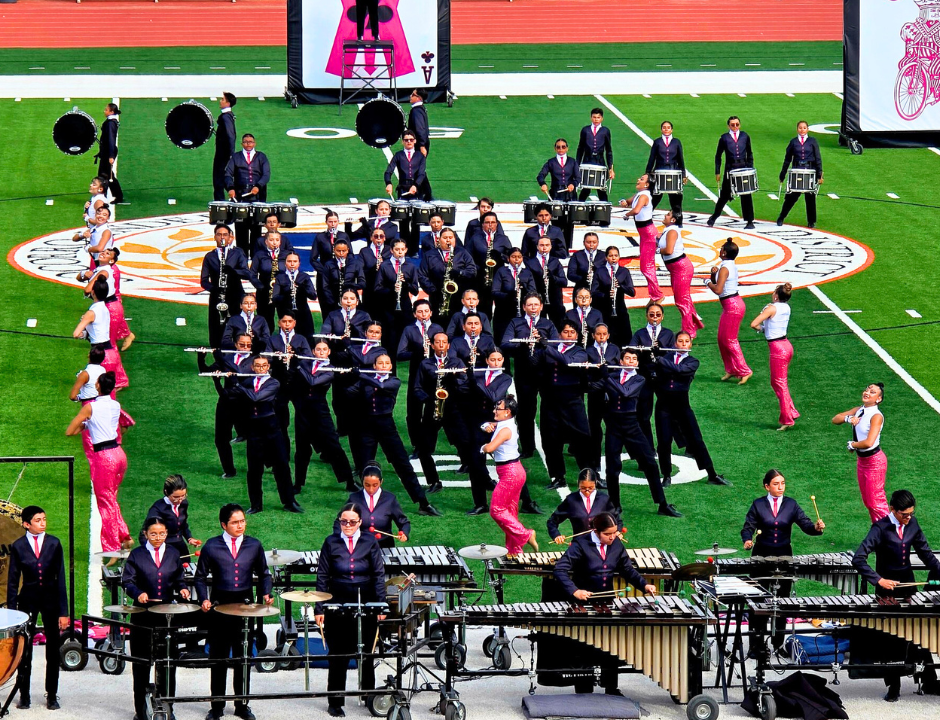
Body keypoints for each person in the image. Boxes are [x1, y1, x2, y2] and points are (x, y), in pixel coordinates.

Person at [552, 514, 657, 694]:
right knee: (583, 647)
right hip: (583, 604)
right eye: (608, 534)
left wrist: (644, 584)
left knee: (610, 645)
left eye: (615, 533)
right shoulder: (580, 545)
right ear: (596, 531)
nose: (613, 537)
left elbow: (627, 569)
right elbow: (560, 569)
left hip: (607, 603)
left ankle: (610, 687)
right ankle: (584, 689)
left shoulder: (615, 544)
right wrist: (575, 590)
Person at [852, 489, 940, 701]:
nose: (908, 518)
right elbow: (858, 559)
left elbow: (926, 554)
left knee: (919, 632)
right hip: (886, 591)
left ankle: (929, 681)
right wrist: (879, 580)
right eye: (904, 514)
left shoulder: (913, 524)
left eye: (911, 513)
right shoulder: (880, 528)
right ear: (893, 509)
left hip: (909, 589)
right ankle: (894, 686)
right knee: (891, 639)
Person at [195, 504, 272, 720]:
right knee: (218, 658)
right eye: (235, 522)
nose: (240, 525)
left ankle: (242, 705)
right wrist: (204, 598)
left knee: (243, 657)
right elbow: (200, 577)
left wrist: (266, 593)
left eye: (242, 521)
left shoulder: (254, 545)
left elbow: (264, 574)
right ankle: (217, 706)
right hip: (219, 607)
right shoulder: (211, 546)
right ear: (223, 525)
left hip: (244, 606)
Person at [315, 504, 387, 717]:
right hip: (337, 603)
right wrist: (319, 607)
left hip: (366, 602)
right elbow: (322, 575)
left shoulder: (369, 541)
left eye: (352, 522)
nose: (347, 525)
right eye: (343, 521)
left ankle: (368, 695)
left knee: (366, 652)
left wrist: (381, 603)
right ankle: (335, 701)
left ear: (360, 522)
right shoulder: (330, 542)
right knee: (338, 653)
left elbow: (378, 574)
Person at [741, 469, 824, 651]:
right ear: (767, 486)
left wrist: (816, 528)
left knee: (783, 602)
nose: (781, 487)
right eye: (776, 484)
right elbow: (748, 527)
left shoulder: (791, 505)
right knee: (758, 601)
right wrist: (747, 539)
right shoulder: (758, 505)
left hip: (784, 559)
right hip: (760, 558)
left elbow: (806, 525)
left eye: (783, 483)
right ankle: (756, 645)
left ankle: (778, 644)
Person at [354, 354, 442, 516]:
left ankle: (423, 503)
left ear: (390, 367)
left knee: (403, 465)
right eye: (380, 363)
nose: (383, 365)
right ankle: (366, 505)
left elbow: (380, 387)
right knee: (365, 467)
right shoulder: (364, 381)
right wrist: (348, 377)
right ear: (375, 366)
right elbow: (350, 393)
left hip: (386, 426)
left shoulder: (393, 381)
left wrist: (361, 375)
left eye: (387, 363)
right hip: (366, 426)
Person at [597, 349, 680, 517]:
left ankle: (662, 504)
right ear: (621, 361)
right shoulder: (611, 377)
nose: (630, 361)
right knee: (612, 468)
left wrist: (605, 377)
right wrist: (588, 373)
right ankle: (615, 505)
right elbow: (590, 388)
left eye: (634, 359)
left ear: (637, 363)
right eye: (627, 358)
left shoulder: (639, 379)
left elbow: (625, 392)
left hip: (631, 426)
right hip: (614, 426)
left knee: (650, 463)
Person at [123, 517, 191, 720]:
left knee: (167, 665)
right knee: (141, 666)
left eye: (162, 534)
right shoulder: (136, 555)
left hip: (166, 617)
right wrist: (138, 593)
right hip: (142, 617)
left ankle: (168, 709)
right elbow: (127, 580)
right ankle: (141, 711)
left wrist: (183, 589)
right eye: (153, 534)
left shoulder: (173, 553)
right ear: (145, 534)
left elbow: (179, 578)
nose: (158, 538)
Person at [8, 506, 68, 711]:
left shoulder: (54, 543)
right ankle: (23, 694)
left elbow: (61, 579)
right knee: (25, 651)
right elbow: (13, 581)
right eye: (37, 520)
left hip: (51, 601)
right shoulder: (18, 546)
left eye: (44, 519)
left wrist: (64, 612)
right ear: (26, 524)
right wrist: (12, 612)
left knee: (53, 650)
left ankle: (52, 694)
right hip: (28, 601)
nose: (43, 523)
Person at [66, 371, 134, 550]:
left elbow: (70, 430)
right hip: (119, 454)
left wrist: (85, 423)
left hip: (104, 458)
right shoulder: (116, 405)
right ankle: (125, 536)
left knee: (105, 503)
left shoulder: (90, 407)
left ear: (97, 386)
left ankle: (112, 548)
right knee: (111, 499)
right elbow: (125, 423)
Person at [227, 355, 303, 514]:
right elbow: (229, 396)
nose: (261, 369)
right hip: (254, 432)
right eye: (257, 366)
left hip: (272, 431)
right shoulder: (247, 382)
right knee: (254, 470)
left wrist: (239, 386)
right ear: (252, 368)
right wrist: (228, 380)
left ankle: (289, 501)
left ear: (268, 367)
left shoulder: (273, 383)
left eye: (264, 366)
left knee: (282, 466)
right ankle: (256, 504)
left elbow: (256, 397)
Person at [654, 332, 729, 488]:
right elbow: (658, 374)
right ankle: (666, 475)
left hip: (682, 407)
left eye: (686, 341)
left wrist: (660, 360)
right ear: (675, 344)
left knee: (696, 440)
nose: (683, 344)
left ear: (690, 345)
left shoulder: (693, 361)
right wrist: (659, 359)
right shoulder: (666, 358)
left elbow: (680, 370)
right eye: (680, 341)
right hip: (664, 407)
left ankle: (712, 474)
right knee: (664, 442)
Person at [413, 333, 472, 497]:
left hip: (452, 408)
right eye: (437, 342)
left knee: (465, 440)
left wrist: (456, 378)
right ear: (432, 345)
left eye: (444, 342)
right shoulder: (425, 364)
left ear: (448, 345)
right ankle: (433, 481)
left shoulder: (457, 362)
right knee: (424, 448)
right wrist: (429, 400)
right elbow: (417, 388)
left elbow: (465, 384)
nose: (441, 345)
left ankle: (471, 467)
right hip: (433, 409)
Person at [294, 342, 358, 493]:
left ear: (329, 352)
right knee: (302, 449)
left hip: (320, 412)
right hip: (303, 412)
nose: (321, 352)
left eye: (324, 349)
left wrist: (297, 367)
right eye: (318, 349)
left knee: (334, 446)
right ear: (313, 351)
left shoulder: (329, 369)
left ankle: (349, 481)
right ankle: (297, 484)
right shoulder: (306, 363)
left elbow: (312, 381)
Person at [500, 294, 559, 458]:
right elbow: (505, 343)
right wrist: (523, 342)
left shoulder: (547, 324)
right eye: (529, 305)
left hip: (545, 372)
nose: (533, 308)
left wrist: (543, 341)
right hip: (524, 372)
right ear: (524, 307)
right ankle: (527, 447)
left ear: (541, 306)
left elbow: (556, 346)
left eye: (536, 305)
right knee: (526, 411)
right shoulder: (515, 322)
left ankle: (552, 443)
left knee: (549, 410)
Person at [538, 322, 592, 490]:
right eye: (565, 331)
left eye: (572, 332)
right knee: (550, 440)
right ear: (559, 334)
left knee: (582, 437)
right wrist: (535, 347)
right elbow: (534, 364)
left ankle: (588, 475)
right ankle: (558, 476)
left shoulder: (580, 352)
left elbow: (567, 362)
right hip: (550, 401)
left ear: (576, 335)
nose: (568, 335)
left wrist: (547, 348)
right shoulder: (548, 349)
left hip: (572, 401)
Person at [482, 396, 538, 554]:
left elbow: (490, 448)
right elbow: (488, 425)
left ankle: (526, 535)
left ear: (507, 412)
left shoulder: (505, 429)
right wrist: (486, 425)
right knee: (510, 513)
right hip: (514, 471)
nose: (494, 411)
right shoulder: (504, 423)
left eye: (497, 409)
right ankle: (514, 550)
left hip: (510, 473)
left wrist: (483, 446)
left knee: (497, 510)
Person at [196, 335, 254, 477]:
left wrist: (219, 358)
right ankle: (229, 470)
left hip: (246, 403)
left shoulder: (255, 361)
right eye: (242, 345)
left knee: (255, 438)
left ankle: (263, 465)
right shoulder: (227, 359)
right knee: (221, 439)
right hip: (226, 403)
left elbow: (239, 374)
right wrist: (201, 357)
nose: (245, 348)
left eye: (248, 345)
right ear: (236, 345)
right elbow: (206, 370)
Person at [833, 383, 889, 523]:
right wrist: (848, 419)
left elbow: (869, 442)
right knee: (869, 502)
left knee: (876, 502)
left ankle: (891, 534)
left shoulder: (876, 416)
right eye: (866, 390)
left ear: (878, 399)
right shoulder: (858, 410)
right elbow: (835, 419)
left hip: (874, 462)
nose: (867, 393)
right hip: (862, 461)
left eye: (872, 392)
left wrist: (853, 444)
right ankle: (879, 533)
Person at [201, 223, 258, 348]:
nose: (222, 237)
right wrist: (214, 289)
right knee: (216, 326)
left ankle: (239, 351)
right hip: (218, 296)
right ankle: (217, 353)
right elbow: (203, 280)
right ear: (215, 237)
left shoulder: (237, 253)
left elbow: (246, 273)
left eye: (225, 235)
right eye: (219, 234)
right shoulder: (209, 256)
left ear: (230, 237)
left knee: (238, 325)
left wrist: (233, 271)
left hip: (235, 295)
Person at [750, 283, 798, 431]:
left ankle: (787, 419)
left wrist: (761, 328)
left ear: (776, 295)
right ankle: (791, 411)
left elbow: (754, 324)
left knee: (779, 383)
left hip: (777, 349)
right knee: (778, 382)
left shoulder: (771, 308)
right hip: (786, 345)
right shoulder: (786, 307)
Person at [396, 300, 441, 452]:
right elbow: (400, 354)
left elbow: (445, 350)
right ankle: (417, 444)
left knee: (432, 412)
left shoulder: (437, 328)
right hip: (416, 376)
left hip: (434, 376)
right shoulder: (409, 330)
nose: (423, 315)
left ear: (431, 313)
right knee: (413, 413)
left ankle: (428, 445)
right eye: (420, 312)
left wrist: (434, 348)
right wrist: (418, 352)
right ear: (415, 314)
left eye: (426, 311)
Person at [705, 239, 752, 384]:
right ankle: (731, 369)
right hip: (731, 305)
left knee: (730, 340)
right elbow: (720, 284)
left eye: (721, 249)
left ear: (724, 252)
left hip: (732, 306)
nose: (719, 250)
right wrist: (713, 276)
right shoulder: (727, 265)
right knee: (722, 339)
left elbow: (718, 290)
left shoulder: (725, 268)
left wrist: (707, 282)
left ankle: (744, 370)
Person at [629, 303, 675, 448]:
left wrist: (660, 350)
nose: (655, 318)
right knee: (643, 414)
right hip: (645, 377)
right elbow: (631, 351)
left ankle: (674, 444)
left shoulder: (668, 334)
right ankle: (647, 446)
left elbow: (673, 355)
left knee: (669, 412)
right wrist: (639, 351)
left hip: (663, 377)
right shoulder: (640, 333)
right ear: (646, 316)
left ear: (662, 317)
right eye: (651, 314)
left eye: (658, 315)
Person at [72, 277, 129, 390]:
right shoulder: (106, 308)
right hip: (111, 352)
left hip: (101, 357)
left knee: (97, 396)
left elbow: (76, 333)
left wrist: (84, 322)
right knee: (109, 398)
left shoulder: (91, 312)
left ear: (93, 292)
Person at [337, 465, 409, 548]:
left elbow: (403, 522)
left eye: (375, 485)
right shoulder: (354, 498)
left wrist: (404, 533)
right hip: (359, 545)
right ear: (362, 481)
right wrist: (338, 539)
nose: (371, 489)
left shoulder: (390, 499)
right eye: (367, 485)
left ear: (381, 482)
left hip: (384, 545)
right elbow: (339, 521)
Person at [656, 211, 702, 338]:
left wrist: (657, 249)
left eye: (668, 214)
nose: (665, 216)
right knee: (683, 299)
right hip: (677, 268)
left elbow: (669, 250)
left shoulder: (672, 231)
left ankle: (688, 332)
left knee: (682, 301)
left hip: (680, 268)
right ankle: (693, 325)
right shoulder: (669, 230)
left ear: (673, 220)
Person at [417, 228, 476, 326]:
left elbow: (472, 271)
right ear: (439, 240)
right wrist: (433, 290)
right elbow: (422, 275)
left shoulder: (463, 253)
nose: (448, 240)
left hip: (458, 296)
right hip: (437, 296)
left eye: (451, 237)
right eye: (445, 238)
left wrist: (459, 272)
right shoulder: (429, 255)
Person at [79, 248, 134, 351]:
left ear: (111, 260)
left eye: (107, 253)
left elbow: (87, 290)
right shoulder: (100, 269)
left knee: (108, 343)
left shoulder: (105, 271)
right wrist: (84, 274)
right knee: (106, 339)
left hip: (110, 306)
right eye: (103, 252)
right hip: (108, 305)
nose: (103, 253)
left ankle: (107, 363)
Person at [619, 174, 663, 303]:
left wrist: (626, 214)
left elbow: (636, 210)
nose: (638, 180)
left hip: (648, 233)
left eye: (642, 179)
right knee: (646, 266)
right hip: (644, 233)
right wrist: (624, 202)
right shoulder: (640, 194)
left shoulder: (644, 196)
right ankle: (654, 294)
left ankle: (657, 295)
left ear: (647, 185)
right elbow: (629, 201)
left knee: (647, 266)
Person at [225, 134, 271, 253]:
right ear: (242, 144)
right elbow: (228, 174)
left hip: (257, 197)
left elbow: (266, 175)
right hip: (240, 198)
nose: (248, 144)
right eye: (245, 142)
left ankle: (256, 257)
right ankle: (242, 257)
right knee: (241, 228)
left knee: (256, 228)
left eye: (250, 142)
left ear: (254, 143)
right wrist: (230, 188)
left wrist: (258, 186)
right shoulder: (235, 157)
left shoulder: (261, 157)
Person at [138, 474, 202, 559]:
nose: (180, 500)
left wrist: (189, 538)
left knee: (186, 569)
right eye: (176, 497)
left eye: (183, 496)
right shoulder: (157, 509)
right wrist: (153, 552)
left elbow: (183, 524)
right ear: (166, 492)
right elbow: (143, 534)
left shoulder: (183, 503)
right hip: (164, 547)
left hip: (180, 546)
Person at [708, 116, 755, 229]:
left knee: (746, 195)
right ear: (729, 125)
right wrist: (717, 171)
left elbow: (750, 152)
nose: (735, 127)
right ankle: (714, 217)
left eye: (737, 124)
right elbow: (718, 155)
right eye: (732, 125)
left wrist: (750, 167)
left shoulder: (745, 136)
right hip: (730, 169)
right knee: (724, 195)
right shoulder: (724, 138)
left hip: (743, 168)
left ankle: (749, 221)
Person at [548, 469, 619, 543]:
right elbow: (552, 521)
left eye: (591, 488)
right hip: (579, 546)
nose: (587, 491)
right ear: (578, 484)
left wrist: (617, 531)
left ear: (595, 483)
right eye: (583, 488)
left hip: (601, 545)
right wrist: (556, 535)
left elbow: (616, 518)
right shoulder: (571, 500)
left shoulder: (604, 499)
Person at [384, 130, 426, 253]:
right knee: (403, 221)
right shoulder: (398, 155)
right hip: (402, 190)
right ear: (402, 141)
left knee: (416, 221)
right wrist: (389, 183)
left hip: (416, 192)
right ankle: (403, 249)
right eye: (406, 140)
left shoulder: (420, 156)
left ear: (415, 141)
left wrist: (416, 185)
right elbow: (388, 171)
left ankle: (414, 250)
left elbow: (422, 174)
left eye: (411, 140)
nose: (409, 142)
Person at [585, 323, 618, 477]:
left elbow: (617, 371)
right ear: (593, 335)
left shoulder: (614, 349)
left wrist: (605, 379)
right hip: (595, 396)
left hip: (611, 395)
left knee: (614, 429)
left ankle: (614, 460)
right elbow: (588, 376)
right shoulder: (588, 351)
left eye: (604, 334)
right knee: (595, 430)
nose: (602, 337)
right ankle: (595, 462)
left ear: (608, 335)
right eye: (598, 334)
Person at [777, 120, 823, 228]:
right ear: (797, 129)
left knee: (810, 197)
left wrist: (819, 174)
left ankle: (811, 221)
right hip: (797, 171)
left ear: (807, 129)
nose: (802, 130)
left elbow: (818, 158)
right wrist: (783, 173)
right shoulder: (793, 142)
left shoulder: (813, 141)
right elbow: (787, 159)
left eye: (804, 128)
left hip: (809, 171)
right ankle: (781, 217)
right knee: (791, 197)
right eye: (800, 128)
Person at [466, 212, 510, 317]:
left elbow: (510, 258)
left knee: (501, 308)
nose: (490, 225)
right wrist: (477, 268)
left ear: (497, 224)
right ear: (482, 224)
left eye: (493, 222)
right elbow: (468, 257)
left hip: (498, 277)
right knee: (484, 308)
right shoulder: (475, 238)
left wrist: (500, 255)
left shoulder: (503, 238)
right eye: (487, 222)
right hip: (481, 277)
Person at [491, 247, 536, 344]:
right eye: (513, 257)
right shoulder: (501, 271)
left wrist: (524, 289)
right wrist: (509, 295)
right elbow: (494, 292)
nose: (516, 259)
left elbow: (533, 292)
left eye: (519, 257)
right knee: (502, 339)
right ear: (508, 259)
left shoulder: (527, 273)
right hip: (504, 311)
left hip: (522, 311)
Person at [645, 121, 687, 224]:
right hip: (659, 171)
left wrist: (683, 174)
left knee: (675, 198)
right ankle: (646, 218)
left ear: (671, 129)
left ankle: (678, 220)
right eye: (664, 127)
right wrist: (647, 173)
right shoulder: (657, 142)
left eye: (668, 127)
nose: (666, 129)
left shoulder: (677, 142)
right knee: (654, 197)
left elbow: (681, 159)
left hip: (673, 172)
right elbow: (652, 158)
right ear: (661, 129)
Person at [593, 245, 635, 346]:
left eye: (616, 255)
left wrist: (620, 286)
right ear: (606, 258)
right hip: (604, 310)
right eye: (611, 256)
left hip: (620, 309)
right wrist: (606, 295)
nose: (613, 258)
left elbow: (632, 292)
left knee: (624, 337)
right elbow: (593, 292)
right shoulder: (600, 271)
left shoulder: (624, 271)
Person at [272, 251, 317, 342]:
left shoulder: (304, 277)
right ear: (285, 263)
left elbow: (313, 296)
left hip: (303, 313)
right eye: (289, 261)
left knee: (307, 338)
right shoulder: (280, 277)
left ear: (299, 263)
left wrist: (302, 288)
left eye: (295, 261)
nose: (292, 264)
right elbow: (275, 298)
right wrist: (287, 292)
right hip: (286, 313)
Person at [525, 237, 568, 329]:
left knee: (558, 327)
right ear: (537, 246)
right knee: (539, 328)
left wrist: (552, 277)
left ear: (551, 247)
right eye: (541, 245)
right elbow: (527, 281)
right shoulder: (530, 262)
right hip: (537, 300)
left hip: (554, 300)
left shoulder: (555, 261)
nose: (544, 248)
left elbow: (564, 282)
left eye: (547, 245)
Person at [250, 231, 290, 330]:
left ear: (280, 242)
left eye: (277, 240)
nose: (274, 242)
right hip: (264, 291)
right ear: (266, 242)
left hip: (283, 292)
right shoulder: (259, 255)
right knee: (265, 319)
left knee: (285, 317)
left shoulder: (287, 254)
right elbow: (252, 274)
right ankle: (265, 341)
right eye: (271, 240)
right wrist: (260, 287)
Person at [319, 239, 365, 318]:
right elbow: (325, 285)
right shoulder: (328, 264)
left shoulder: (355, 263)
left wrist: (350, 286)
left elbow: (362, 283)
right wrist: (332, 302)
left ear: (348, 250)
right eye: (338, 251)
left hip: (351, 299)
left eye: (343, 251)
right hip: (333, 301)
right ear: (334, 250)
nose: (341, 253)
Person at [576, 108, 614, 201]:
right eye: (594, 117)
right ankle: (578, 209)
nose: (596, 119)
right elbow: (580, 148)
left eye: (598, 117)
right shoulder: (585, 130)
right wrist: (577, 165)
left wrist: (611, 168)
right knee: (585, 188)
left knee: (601, 188)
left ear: (602, 118)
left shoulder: (605, 131)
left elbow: (609, 150)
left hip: (600, 161)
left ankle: (604, 211)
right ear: (591, 118)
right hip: (587, 160)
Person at [313, 209, 352, 298]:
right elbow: (313, 259)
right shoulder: (320, 237)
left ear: (338, 222)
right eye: (330, 222)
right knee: (325, 302)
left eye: (335, 221)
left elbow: (351, 254)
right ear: (326, 222)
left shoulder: (344, 236)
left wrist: (346, 268)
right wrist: (324, 271)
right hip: (324, 275)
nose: (333, 224)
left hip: (341, 272)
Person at [359, 226, 392, 317]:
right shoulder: (364, 251)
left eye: (381, 236)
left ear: (384, 238)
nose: (378, 238)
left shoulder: (390, 251)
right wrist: (374, 268)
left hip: (385, 289)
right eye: (376, 236)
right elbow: (360, 270)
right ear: (371, 238)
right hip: (370, 289)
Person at [96, 102, 124, 204]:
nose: (104, 111)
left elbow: (111, 140)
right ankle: (111, 195)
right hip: (107, 151)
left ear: (111, 111)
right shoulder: (111, 122)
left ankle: (112, 196)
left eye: (106, 110)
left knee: (105, 174)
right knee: (105, 174)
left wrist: (111, 155)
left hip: (108, 152)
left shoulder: (111, 123)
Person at [408, 88, 432, 200]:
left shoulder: (416, 111)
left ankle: (426, 193)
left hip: (419, 144)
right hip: (421, 143)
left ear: (418, 98)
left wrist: (421, 145)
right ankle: (423, 192)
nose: (410, 96)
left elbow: (420, 129)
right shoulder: (420, 109)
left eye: (413, 94)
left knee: (418, 169)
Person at [213, 92, 237, 201]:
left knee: (218, 177)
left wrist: (231, 154)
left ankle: (220, 201)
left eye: (222, 99)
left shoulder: (225, 117)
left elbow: (230, 135)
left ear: (228, 103)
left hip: (223, 153)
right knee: (221, 176)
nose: (220, 101)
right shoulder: (227, 116)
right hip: (224, 152)